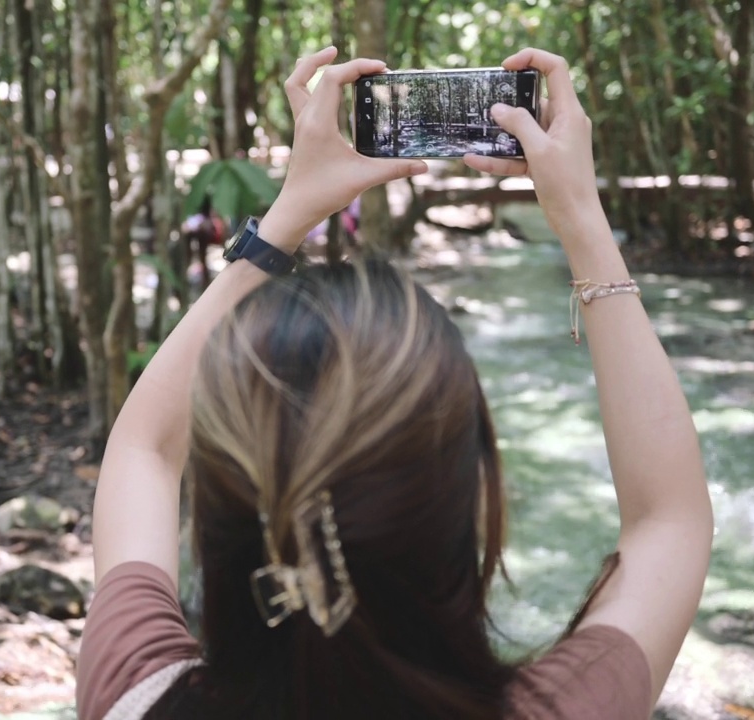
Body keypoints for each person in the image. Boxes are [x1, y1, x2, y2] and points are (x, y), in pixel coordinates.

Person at [76, 47, 712, 720]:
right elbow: (669, 521)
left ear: (211, 525)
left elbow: (144, 448)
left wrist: (289, 213)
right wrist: (580, 216)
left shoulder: (134, 697)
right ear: (479, 508)